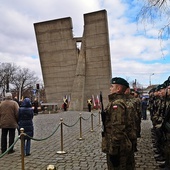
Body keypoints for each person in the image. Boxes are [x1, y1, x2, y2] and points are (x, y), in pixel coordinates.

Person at [101, 77, 133, 170]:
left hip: (118, 148)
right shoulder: (119, 102)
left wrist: (114, 150)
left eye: (112, 86)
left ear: (118, 89)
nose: (110, 88)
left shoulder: (117, 104)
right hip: (121, 145)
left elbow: (118, 129)